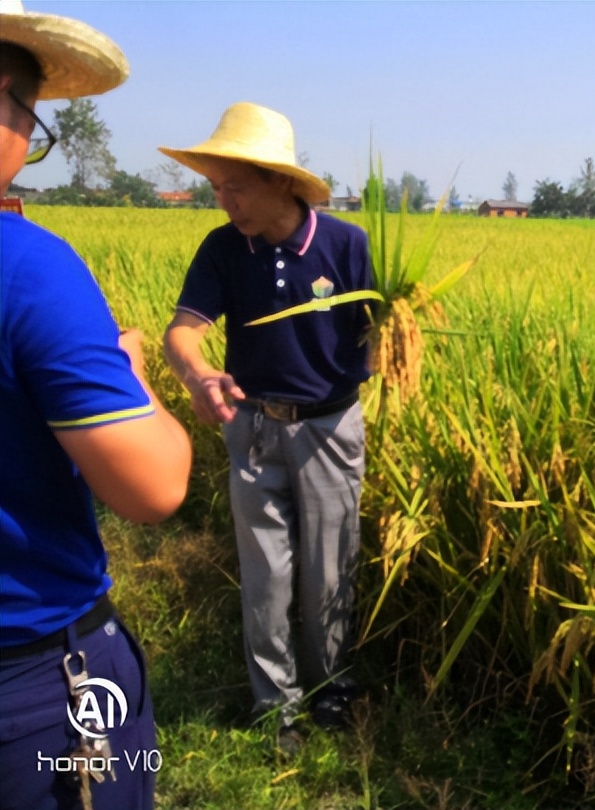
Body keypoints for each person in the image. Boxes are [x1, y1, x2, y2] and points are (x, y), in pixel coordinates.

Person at [0, 2, 193, 808]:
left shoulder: (340, 245)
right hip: (35, 683)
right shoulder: (30, 270)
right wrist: (136, 376)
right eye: (30, 117)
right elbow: (152, 489)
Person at [159, 102, 376, 754]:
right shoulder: (225, 249)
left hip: (329, 430)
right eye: (217, 186)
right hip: (252, 428)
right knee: (267, 574)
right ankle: (274, 706)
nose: (225, 201)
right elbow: (183, 333)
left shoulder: (345, 246)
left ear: (281, 181)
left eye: (237, 186)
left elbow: (382, 332)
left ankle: (333, 690)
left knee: (331, 571)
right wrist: (198, 376)